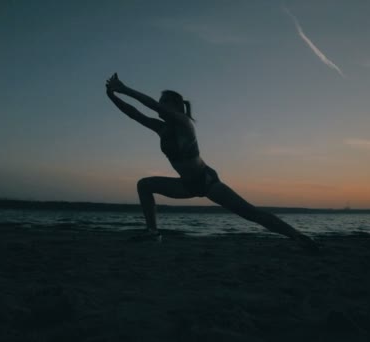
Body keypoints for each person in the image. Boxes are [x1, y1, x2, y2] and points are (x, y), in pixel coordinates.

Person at [105, 73, 318, 250]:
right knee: (144, 184)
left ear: (177, 107)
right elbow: (134, 114)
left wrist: (125, 88)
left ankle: (299, 237)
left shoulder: (184, 123)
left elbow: (153, 107)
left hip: (206, 181)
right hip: (185, 184)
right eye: (161, 103)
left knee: (250, 213)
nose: (162, 107)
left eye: (165, 103)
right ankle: (152, 232)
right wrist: (112, 96)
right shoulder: (162, 129)